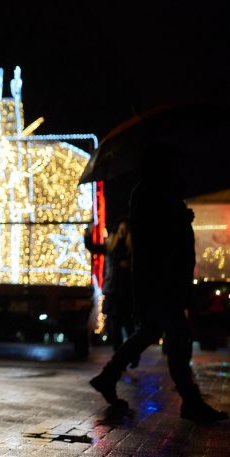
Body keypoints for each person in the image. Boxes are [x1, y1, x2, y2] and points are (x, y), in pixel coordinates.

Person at [89, 143, 228, 422]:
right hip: (161, 281)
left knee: (150, 333)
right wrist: (178, 218)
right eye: (173, 162)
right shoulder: (150, 193)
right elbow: (154, 240)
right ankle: (191, 401)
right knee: (178, 337)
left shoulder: (157, 192)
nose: (179, 167)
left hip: (163, 279)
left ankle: (108, 377)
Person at [84, 218, 139, 366]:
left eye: (124, 230)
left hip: (126, 293)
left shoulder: (131, 250)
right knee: (114, 326)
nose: (122, 233)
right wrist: (87, 234)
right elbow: (92, 247)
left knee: (128, 325)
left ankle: (133, 355)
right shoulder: (110, 248)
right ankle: (119, 358)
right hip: (112, 292)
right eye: (120, 230)